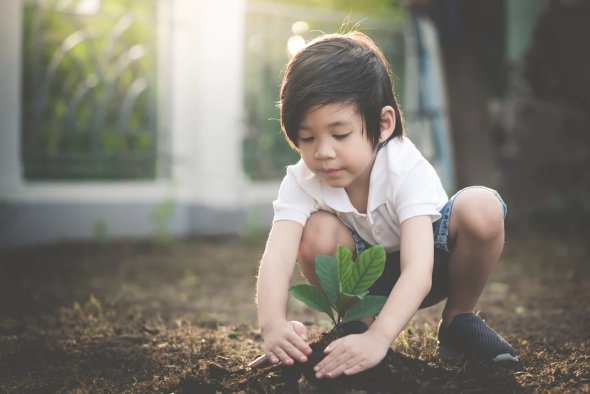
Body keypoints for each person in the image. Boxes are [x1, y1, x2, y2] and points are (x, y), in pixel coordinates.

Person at [255, 31, 518, 380]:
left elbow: (418, 270)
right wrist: (272, 325)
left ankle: (458, 321)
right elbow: (277, 255)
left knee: (481, 206)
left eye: (340, 133)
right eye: (307, 137)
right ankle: (356, 327)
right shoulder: (302, 180)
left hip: (434, 264)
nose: (323, 152)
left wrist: (382, 338)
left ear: (382, 125)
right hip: (365, 282)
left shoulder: (403, 167)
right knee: (314, 231)